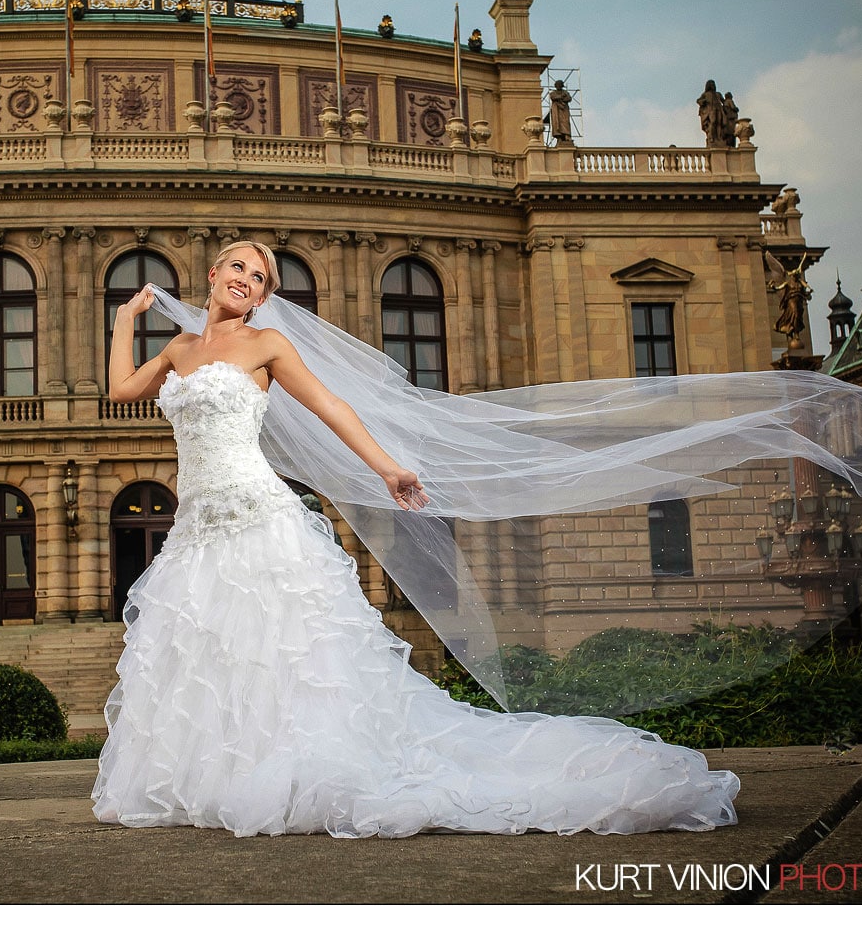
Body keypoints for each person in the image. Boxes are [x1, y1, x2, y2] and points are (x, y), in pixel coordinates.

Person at [91, 240, 751, 838]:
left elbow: (332, 407)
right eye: (238, 266)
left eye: (259, 277)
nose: (245, 279)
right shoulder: (179, 351)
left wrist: (385, 468)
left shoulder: (268, 346)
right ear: (214, 274)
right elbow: (122, 388)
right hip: (197, 528)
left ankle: (295, 773)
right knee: (210, 654)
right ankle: (217, 774)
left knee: (285, 655)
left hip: (257, 517)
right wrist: (125, 320)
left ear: (265, 297)